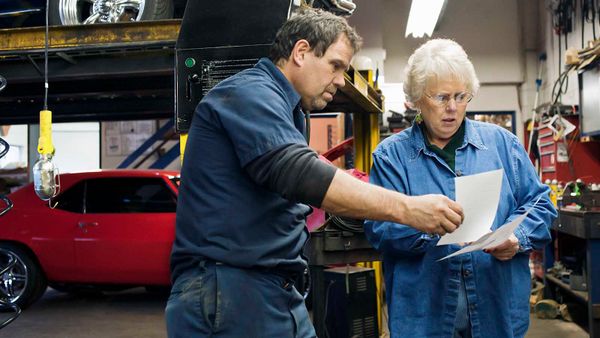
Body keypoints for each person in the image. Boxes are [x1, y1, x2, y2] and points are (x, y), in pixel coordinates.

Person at [166, 9, 464, 338]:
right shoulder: (248, 94)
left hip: (271, 289)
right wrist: (411, 209)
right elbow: (299, 172)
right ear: (301, 52)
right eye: (335, 66)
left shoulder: (290, 111)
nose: (340, 80)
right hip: (229, 288)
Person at [364, 39, 557, 338]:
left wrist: (515, 238)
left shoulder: (503, 145)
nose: (452, 108)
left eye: (461, 96)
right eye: (441, 97)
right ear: (416, 98)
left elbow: (541, 206)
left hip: (497, 311)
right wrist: (425, 223)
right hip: (425, 317)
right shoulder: (392, 157)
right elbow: (379, 230)